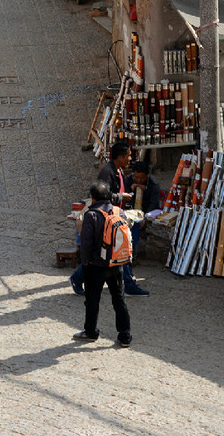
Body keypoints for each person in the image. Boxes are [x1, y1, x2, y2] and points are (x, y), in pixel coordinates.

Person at [73, 180, 132, 347]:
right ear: (108, 196)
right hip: (116, 263)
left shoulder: (91, 215)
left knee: (92, 300)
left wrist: (85, 262)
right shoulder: (119, 212)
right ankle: (125, 335)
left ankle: (90, 332)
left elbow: (86, 243)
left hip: (95, 266)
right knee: (119, 299)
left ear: (92, 197)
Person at [98, 141, 149, 296]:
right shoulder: (107, 172)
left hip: (116, 216)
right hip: (109, 218)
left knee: (110, 254)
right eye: (128, 155)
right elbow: (102, 196)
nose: (130, 158)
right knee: (122, 250)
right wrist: (121, 196)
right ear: (120, 157)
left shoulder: (118, 170)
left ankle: (78, 278)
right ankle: (129, 284)